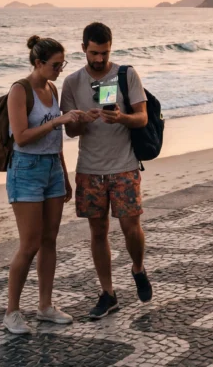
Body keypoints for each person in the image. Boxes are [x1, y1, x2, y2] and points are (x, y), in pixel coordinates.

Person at [61, 22, 152, 319]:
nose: (99, 59)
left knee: (130, 228)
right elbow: (71, 132)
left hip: (124, 166)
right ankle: (108, 293)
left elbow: (142, 118)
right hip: (90, 169)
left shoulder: (126, 74)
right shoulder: (72, 83)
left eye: (105, 53)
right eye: (94, 53)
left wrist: (121, 118)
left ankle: (138, 267)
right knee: (97, 232)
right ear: (83, 48)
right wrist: (81, 120)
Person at [2, 36, 77, 334]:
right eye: (55, 65)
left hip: (52, 169)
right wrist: (57, 121)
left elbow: (54, 140)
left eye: (63, 64)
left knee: (50, 240)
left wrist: (64, 173)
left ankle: (45, 306)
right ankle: (11, 312)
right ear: (38, 63)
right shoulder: (20, 90)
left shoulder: (52, 88)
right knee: (29, 243)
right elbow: (21, 136)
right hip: (26, 169)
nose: (60, 69)